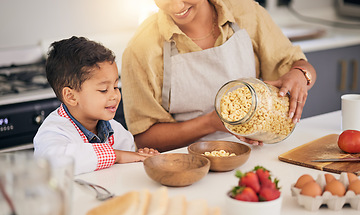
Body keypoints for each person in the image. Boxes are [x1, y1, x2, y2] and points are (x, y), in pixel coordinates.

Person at [121, 0, 317, 152]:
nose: (176, 6)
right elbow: (144, 138)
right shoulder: (140, 50)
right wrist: (210, 122)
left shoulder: (246, 12)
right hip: (188, 162)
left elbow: (298, 65)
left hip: (257, 149)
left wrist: (300, 75)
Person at [33, 36, 158, 175]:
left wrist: (140, 156)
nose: (115, 95)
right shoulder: (53, 132)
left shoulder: (115, 129)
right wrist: (117, 155)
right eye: (103, 90)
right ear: (71, 96)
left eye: (116, 87)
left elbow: (125, 163)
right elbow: (56, 160)